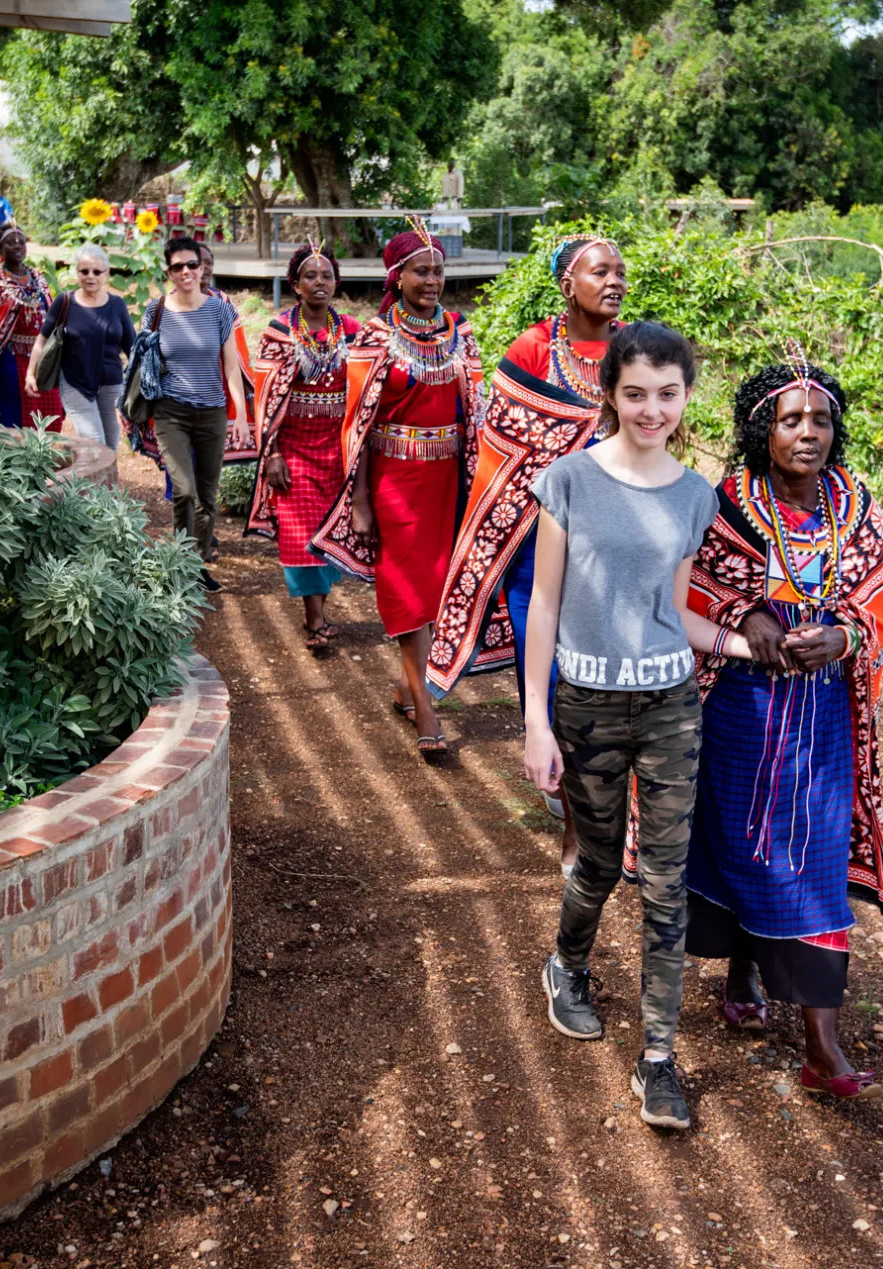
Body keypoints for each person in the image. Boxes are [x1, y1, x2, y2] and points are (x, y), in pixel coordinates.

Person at [522, 322, 718, 1133]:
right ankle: (565, 964)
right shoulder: (568, 480)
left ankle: (659, 1060)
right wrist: (536, 718)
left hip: (671, 707)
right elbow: (543, 602)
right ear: (611, 392)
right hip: (588, 709)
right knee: (599, 863)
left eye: (667, 394)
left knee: (666, 883)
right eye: (634, 392)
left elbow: (675, 613)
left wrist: (746, 644)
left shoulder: (695, 494)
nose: (651, 409)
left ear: (685, 396)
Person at [683, 354, 883, 1102]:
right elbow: (700, 583)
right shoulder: (728, 504)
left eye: (822, 418)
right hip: (741, 701)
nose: (809, 432)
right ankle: (741, 966)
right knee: (738, 840)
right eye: (790, 419)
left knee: (809, 855)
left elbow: (875, 593)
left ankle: (821, 1043)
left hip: (821, 712)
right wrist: (746, 614)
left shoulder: (854, 503)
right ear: (760, 430)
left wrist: (841, 637)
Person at [429, 235, 626, 875]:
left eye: (621, 271)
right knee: (544, 677)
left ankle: (602, 799)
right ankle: (573, 814)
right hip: (536, 545)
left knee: (609, 679)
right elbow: (505, 450)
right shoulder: (533, 350)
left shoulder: (638, 348)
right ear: (568, 283)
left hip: (614, 548)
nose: (615, 280)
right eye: (601, 271)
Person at [312, 221, 484, 757]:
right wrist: (359, 499)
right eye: (421, 271)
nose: (432, 281)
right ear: (398, 275)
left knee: (439, 586)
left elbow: (476, 412)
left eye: (438, 272)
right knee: (408, 587)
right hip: (394, 480)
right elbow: (357, 422)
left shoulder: (461, 331)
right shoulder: (375, 336)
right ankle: (427, 704)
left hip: (449, 481)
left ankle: (408, 684)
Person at [246, 244, 358, 651]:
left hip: (337, 449)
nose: (319, 282)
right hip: (293, 447)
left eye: (326, 275)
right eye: (310, 276)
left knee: (328, 532)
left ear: (336, 282)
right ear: (295, 284)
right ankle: (315, 620)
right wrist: (271, 452)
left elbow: (365, 389)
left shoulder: (351, 329)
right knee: (300, 532)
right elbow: (264, 395)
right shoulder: (280, 330)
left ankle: (318, 611)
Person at [142, 236, 251, 592]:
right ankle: (179, 561)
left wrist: (240, 416)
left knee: (207, 496)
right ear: (168, 272)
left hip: (212, 413)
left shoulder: (220, 310)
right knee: (184, 491)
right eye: (178, 267)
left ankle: (195, 563)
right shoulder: (155, 311)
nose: (186, 272)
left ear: (202, 267)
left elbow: (231, 368)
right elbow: (144, 365)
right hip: (171, 412)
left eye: (192, 264)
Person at [25, 244, 135, 464]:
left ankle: (108, 496)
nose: (90, 276)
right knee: (94, 443)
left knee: (111, 445)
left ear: (107, 273)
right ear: (77, 272)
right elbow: (42, 339)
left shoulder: (117, 305)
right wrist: (30, 373)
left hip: (111, 384)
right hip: (75, 381)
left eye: (97, 271)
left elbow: (132, 347)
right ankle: (96, 496)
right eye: (84, 271)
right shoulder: (65, 302)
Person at [0, 225, 63, 432]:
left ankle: (45, 462)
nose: (17, 245)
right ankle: (12, 463)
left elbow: (51, 318)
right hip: (10, 360)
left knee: (49, 415)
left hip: (42, 359)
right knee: (11, 419)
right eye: (10, 242)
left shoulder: (39, 279)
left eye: (21, 241)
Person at [197, 240, 258, 464]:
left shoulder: (221, 303)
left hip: (217, 399)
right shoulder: (166, 307)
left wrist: (246, 402)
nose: (204, 268)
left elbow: (238, 359)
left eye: (209, 262)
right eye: (197, 262)